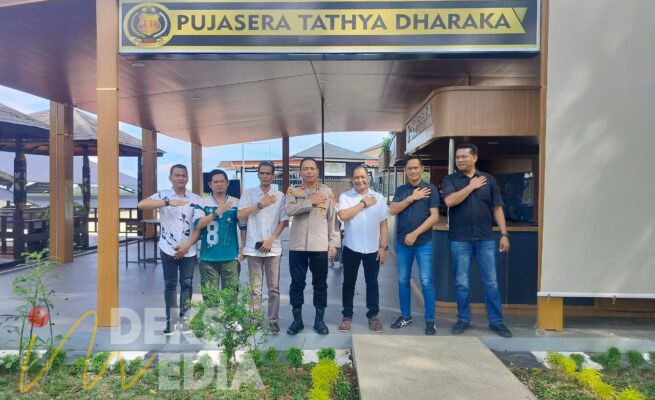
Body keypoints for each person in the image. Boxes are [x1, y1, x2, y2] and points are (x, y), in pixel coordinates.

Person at [441, 143, 512, 338]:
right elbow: (450, 201)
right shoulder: (450, 180)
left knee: (491, 282)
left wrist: (504, 234)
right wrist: (471, 186)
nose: (459, 160)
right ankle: (463, 319)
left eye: (463, 156)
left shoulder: (488, 179)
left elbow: (497, 208)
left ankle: (496, 321)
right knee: (462, 282)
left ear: (474, 158)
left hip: (485, 239)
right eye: (457, 157)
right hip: (460, 239)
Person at [137, 164, 202, 335]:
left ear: (187, 178)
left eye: (184, 175)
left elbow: (199, 226)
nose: (181, 178)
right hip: (168, 248)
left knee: (187, 284)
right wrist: (167, 202)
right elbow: (141, 204)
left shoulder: (195, 198)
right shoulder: (163, 195)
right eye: (177, 175)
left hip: (189, 248)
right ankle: (171, 322)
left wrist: (186, 246)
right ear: (170, 178)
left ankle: (185, 321)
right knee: (170, 284)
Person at [285, 157, 340, 335]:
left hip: (319, 246)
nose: (309, 171)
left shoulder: (327, 191)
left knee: (320, 284)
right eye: (305, 168)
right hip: (297, 247)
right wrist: (310, 202)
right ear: (300, 172)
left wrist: (333, 244)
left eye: (312, 168)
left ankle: (319, 320)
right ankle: (297, 320)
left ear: (318, 171)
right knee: (297, 284)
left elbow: (332, 220)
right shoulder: (293, 191)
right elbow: (289, 210)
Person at [389, 156, 440, 335]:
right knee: (403, 280)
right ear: (405, 171)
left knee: (426, 282)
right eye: (410, 168)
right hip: (403, 244)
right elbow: (392, 210)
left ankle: (430, 321)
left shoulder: (430, 190)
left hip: (423, 243)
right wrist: (412, 198)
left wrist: (415, 233)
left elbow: (435, 217)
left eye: (416, 168)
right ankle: (405, 316)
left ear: (422, 169)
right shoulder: (401, 190)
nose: (413, 171)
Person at [237, 161, 288, 335]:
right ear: (258, 175)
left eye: (268, 173)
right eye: (262, 173)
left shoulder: (280, 195)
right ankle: (256, 320)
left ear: (273, 176)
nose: (265, 176)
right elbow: (240, 214)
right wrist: (260, 204)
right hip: (253, 247)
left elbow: (284, 221)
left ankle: (273, 321)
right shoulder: (248, 193)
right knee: (255, 289)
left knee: (273, 288)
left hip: (273, 248)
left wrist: (271, 239)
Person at [337, 165, 388, 333]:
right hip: (351, 247)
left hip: (373, 249)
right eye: (356, 177)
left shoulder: (379, 198)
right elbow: (343, 215)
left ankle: (373, 316)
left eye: (363, 176)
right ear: (352, 179)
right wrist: (364, 203)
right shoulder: (345, 196)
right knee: (348, 283)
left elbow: (383, 224)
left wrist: (383, 247)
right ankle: (347, 316)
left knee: (372, 284)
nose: (360, 180)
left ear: (368, 177)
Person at [193, 169, 245, 301]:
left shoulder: (236, 202)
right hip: (208, 258)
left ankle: (230, 316)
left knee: (231, 297)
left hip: (230, 257)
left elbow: (243, 227)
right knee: (210, 299)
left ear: (227, 183)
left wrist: (243, 249)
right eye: (215, 182)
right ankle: (212, 316)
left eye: (222, 181)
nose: (219, 184)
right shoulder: (202, 202)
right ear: (210, 184)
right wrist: (217, 212)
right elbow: (198, 224)